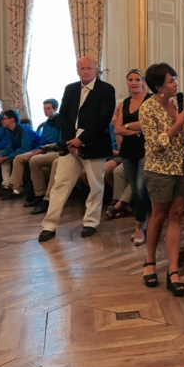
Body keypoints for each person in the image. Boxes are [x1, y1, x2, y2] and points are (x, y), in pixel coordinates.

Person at [38, 57, 116, 242]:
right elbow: (63, 117)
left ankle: (90, 222)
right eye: (82, 68)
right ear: (77, 70)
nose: (86, 71)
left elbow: (103, 119)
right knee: (60, 184)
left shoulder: (106, 89)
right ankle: (49, 225)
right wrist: (70, 141)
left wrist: (81, 140)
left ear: (95, 70)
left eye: (89, 68)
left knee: (96, 185)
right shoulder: (70, 88)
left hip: (93, 143)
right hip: (70, 143)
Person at [139, 62, 184, 297]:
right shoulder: (148, 109)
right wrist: (178, 125)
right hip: (160, 169)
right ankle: (150, 260)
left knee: (177, 214)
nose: (176, 84)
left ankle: (173, 270)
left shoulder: (177, 103)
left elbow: (182, 133)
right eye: (171, 81)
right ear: (158, 87)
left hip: (182, 165)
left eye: (175, 79)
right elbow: (156, 143)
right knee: (159, 215)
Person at [107, 68, 152, 245]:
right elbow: (117, 129)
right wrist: (135, 129)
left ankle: (139, 226)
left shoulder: (150, 101)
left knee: (141, 188)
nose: (134, 83)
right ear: (127, 82)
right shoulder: (123, 103)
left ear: (143, 82)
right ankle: (143, 221)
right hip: (128, 151)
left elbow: (149, 125)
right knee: (134, 187)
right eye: (130, 80)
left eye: (137, 80)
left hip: (146, 150)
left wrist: (128, 126)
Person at [0, 109, 42, 198]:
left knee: (13, 158)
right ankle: (6, 186)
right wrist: (2, 156)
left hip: (35, 150)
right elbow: (10, 147)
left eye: (4, 118)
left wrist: (6, 157)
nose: (2, 121)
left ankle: (16, 189)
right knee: (4, 159)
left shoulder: (24, 131)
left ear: (12, 120)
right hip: (23, 150)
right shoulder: (9, 131)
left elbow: (25, 149)